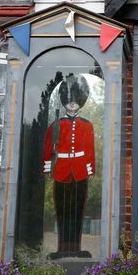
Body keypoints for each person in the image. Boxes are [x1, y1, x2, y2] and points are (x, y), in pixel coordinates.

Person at [43, 73, 95, 259]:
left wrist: (90, 170)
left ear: (81, 101)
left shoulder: (86, 125)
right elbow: (49, 148)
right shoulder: (56, 125)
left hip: (80, 170)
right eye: (69, 100)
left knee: (78, 210)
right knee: (63, 210)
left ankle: (75, 247)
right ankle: (62, 248)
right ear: (64, 101)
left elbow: (89, 150)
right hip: (62, 170)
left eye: (76, 100)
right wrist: (48, 168)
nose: (72, 103)